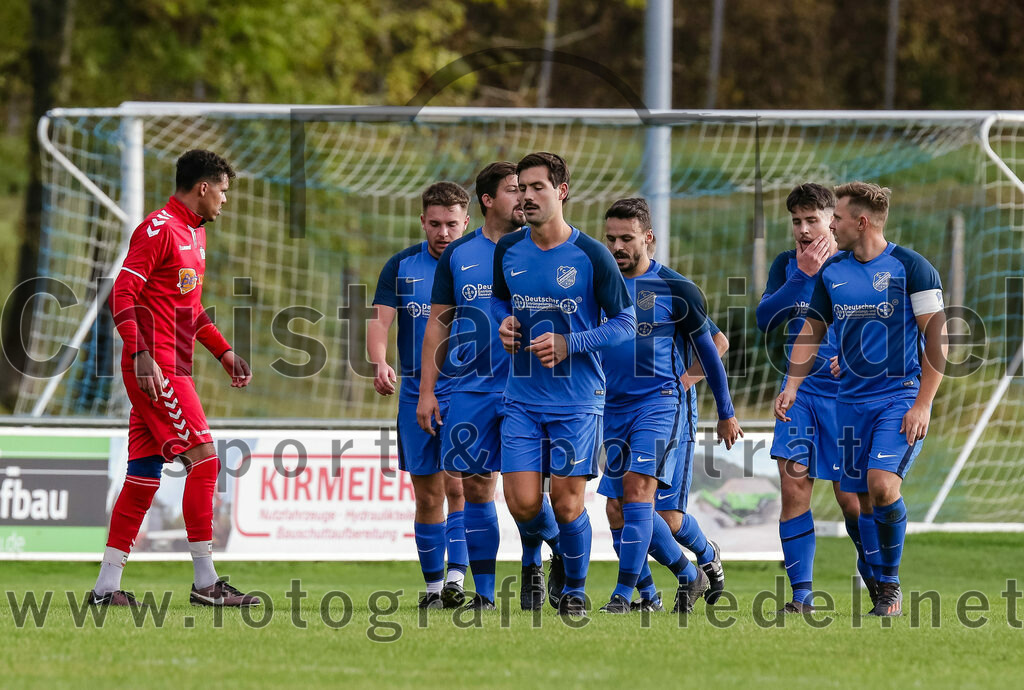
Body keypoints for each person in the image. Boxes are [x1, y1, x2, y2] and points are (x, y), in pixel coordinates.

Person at [91, 149, 259, 607]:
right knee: (205, 461)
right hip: (155, 368)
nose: (225, 200)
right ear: (203, 187)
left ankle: (106, 588)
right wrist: (141, 353)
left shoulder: (194, 234)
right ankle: (206, 583)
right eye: (222, 191)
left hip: (171, 363)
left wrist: (223, 352)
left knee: (143, 476)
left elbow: (191, 310)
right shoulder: (159, 229)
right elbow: (121, 293)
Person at [775, 181, 947, 617]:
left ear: (861, 222)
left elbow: (937, 337)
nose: (831, 224)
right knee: (859, 504)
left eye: (837, 218)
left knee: (882, 485)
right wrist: (792, 385)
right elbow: (811, 331)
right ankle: (875, 575)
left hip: (899, 397)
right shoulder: (832, 273)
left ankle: (888, 584)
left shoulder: (912, 267)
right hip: (849, 403)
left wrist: (922, 403)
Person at [491, 152, 636, 617]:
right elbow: (499, 304)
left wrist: (571, 342)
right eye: (521, 187)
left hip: (577, 399)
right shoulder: (508, 249)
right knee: (523, 502)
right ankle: (554, 553)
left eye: (537, 187)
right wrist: (505, 325)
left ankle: (573, 588)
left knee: (568, 503)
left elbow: (626, 322)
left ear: (561, 192)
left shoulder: (591, 254)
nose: (528, 196)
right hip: (522, 397)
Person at [418, 162, 562, 611]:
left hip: (530, 388)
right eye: (513, 191)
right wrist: (427, 392)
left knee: (527, 492)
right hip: (470, 389)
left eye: (527, 190)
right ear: (487, 200)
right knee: (478, 488)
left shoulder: (540, 248)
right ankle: (483, 594)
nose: (523, 198)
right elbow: (438, 326)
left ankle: (541, 558)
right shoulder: (460, 254)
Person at [596, 198, 740, 614]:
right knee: (620, 510)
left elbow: (716, 345)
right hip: (615, 406)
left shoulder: (674, 288)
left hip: (661, 404)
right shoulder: (600, 285)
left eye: (627, 238)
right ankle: (673, 582)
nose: (618, 246)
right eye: (611, 239)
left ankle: (623, 597)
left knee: (644, 499)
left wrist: (723, 409)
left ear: (649, 238)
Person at [757, 183, 865, 613]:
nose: (803, 229)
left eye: (812, 220)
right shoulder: (787, 265)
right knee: (794, 486)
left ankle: (879, 576)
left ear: (831, 222)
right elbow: (766, 317)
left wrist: (859, 358)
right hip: (799, 392)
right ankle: (802, 597)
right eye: (796, 221)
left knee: (851, 499)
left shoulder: (856, 264)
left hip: (848, 396)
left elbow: (886, 325)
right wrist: (800, 276)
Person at [369, 182, 470, 609]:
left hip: (467, 388)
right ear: (422, 222)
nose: (443, 232)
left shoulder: (482, 264)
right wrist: (378, 361)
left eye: (452, 224)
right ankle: (432, 589)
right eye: (435, 224)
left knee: (461, 486)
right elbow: (379, 322)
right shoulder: (401, 265)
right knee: (426, 493)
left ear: (467, 222)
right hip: (415, 388)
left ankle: (458, 579)